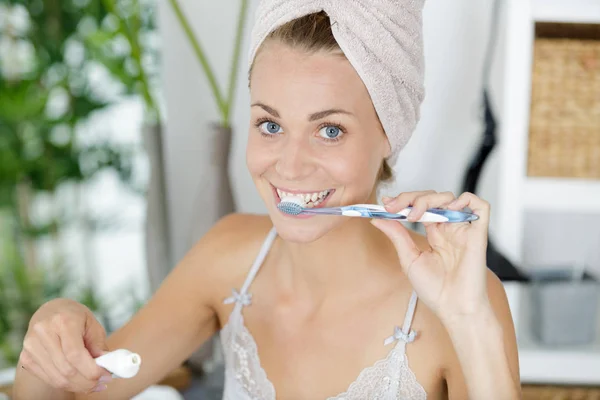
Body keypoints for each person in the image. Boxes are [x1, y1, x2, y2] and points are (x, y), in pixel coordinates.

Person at [12, 2, 520, 399]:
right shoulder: (228, 256)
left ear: (391, 134)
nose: (290, 166)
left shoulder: (460, 297)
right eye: (270, 124)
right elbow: (71, 396)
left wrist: (470, 320)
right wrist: (51, 331)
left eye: (329, 130)